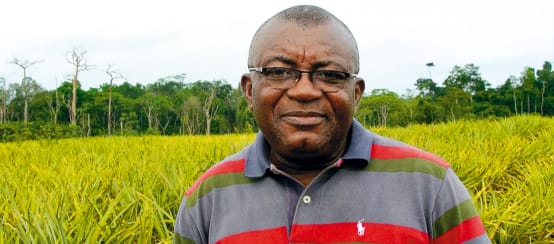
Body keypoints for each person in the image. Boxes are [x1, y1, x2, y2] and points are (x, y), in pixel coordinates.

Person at [174, 5, 488, 243]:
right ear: (249, 90)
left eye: (331, 75)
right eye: (279, 72)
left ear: (356, 92)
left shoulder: (430, 185)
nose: (305, 91)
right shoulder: (206, 199)